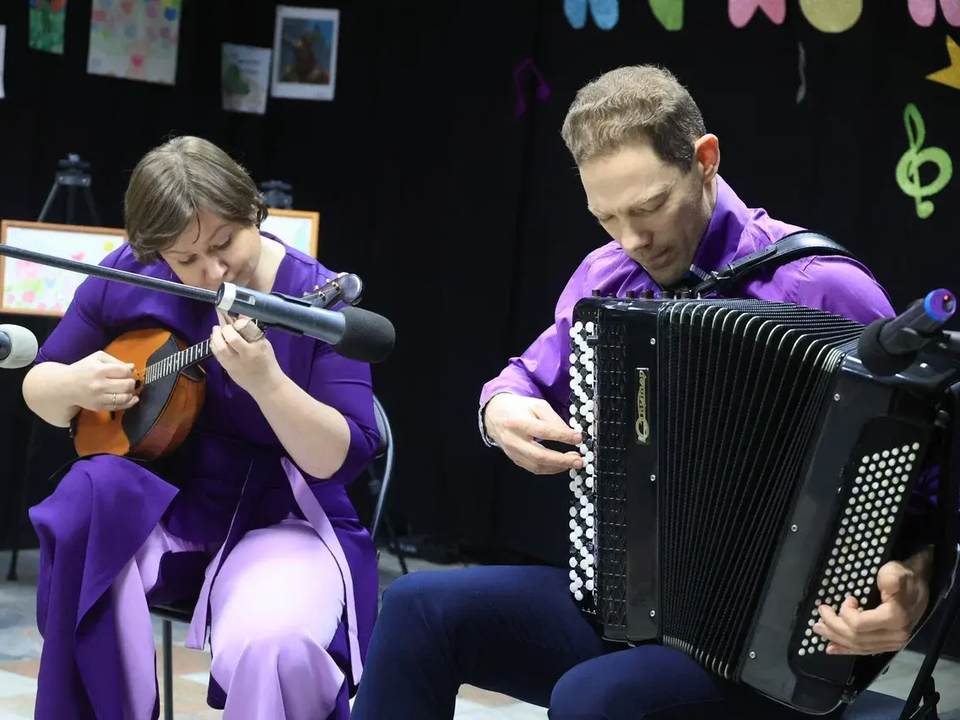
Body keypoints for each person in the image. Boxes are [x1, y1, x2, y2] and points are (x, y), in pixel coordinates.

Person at [349, 66, 949, 719]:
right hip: (628, 606)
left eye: (648, 207)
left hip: (780, 647)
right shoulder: (605, 278)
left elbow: (933, 486)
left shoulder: (827, 288)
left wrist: (915, 582)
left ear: (705, 160)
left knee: (594, 698)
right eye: (606, 216)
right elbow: (525, 374)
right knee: (416, 610)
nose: (631, 240)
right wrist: (498, 409)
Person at [23, 136, 381, 720]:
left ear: (255, 212)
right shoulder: (135, 271)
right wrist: (71, 387)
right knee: (84, 501)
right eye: (186, 260)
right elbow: (39, 387)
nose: (213, 273)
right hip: (162, 515)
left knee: (276, 645)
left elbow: (343, 456)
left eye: (225, 244)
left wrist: (268, 382)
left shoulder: (317, 295)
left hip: (280, 519)